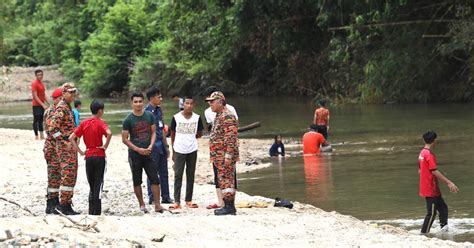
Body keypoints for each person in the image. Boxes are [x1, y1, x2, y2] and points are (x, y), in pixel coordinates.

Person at [122, 92, 166, 213]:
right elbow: (125, 139)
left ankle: (157, 205)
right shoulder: (128, 119)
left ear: (143, 102)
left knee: (155, 179)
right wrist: (137, 149)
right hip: (135, 154)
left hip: (148, 152)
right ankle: (142, 204)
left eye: (140, 101)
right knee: (137, 180)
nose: (138, 104)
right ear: (131, 103)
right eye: (135, 102)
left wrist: (151, 145)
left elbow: (153, 132)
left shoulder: (149, 116)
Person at [69, 100, 112, 215]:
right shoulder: (101, 122)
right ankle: (97, 212)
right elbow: (109, 133)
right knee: (98, 184)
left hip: (88, 155)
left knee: (91, 184)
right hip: (99, 155)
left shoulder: (84, 123)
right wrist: (105, 146)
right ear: (100, 111)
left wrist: (80, 151)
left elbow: (71, 137)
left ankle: (91, 210)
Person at [418, 131, 459, 234]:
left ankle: (444, 230)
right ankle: (424, 234)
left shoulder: (422, 153)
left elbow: (420, 169)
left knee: (443, 209)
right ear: (434, 141)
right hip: (430, 188)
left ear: (424, 140)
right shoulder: (429, 155)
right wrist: (449, 182)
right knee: (431, 213)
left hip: (431, 187)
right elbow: (434, 171)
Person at [48, 82, 79, 215]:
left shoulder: (67, 107)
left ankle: (64, 203)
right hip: (65, 149)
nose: (73, 95)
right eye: (70, 92)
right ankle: (64, 205)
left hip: (69, 147)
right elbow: (52, 128)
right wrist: (63, 140)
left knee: (69, 175)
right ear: (63, 94)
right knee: (68, 175)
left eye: (74, 92)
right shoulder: (62, 108)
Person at [206, 91, 239, 215]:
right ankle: (227, 205)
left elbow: (231, 138)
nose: (210, 104)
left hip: (224, 155)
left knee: (227, 179)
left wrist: (228, 156)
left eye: (212, 101)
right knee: (223, 179)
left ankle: (229, 207)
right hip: (218, 156)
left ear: (220, 102)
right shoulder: (219, 115)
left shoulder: (227, 116)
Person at [168, 96, 204, 210]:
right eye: (187, 103)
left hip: (192, 149)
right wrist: (173, 150)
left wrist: (190, 137)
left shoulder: (197, 118)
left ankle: (188, 200)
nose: (189, 105)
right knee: (178, 175)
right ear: (183, 105)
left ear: (194, 105)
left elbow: (200, 133)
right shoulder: (176, 118)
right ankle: (177, 201)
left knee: (190, 174)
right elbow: (172, 134)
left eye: (191, 104)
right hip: (179, 149)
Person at [144, 87, 173, 204]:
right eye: (158, 96)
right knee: (152, 172)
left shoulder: (159, 110)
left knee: (164, 172)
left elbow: (161, 129)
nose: (161, 98)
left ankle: (166, 197)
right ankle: (151, 197)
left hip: (161, 145)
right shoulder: (146, 112)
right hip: (152, 146)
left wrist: (166, 146)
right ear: (151, 98)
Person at [43, 87, 63, 214]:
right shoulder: (52, 111)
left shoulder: (54, 110)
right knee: (54, 176)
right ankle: (51, 204)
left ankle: (54, 202)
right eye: (60, 98)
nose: (62, 101)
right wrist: (64, 139)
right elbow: (52, 130)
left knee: (56, 175)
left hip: (54, 147)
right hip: (52, 147)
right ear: (55, 99)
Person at [32, 69, 50, 140]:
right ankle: (36, 135)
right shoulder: (34, 83)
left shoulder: (41, 83)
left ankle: (42, 135)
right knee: (36, 120)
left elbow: (43, 95)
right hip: (36, 105)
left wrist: (49, 103)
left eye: (41, 74)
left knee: (41, 120)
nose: (40, 76)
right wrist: (43, 104)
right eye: (38, 75)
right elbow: (35, 96)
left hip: (41, 104)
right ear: (36, 75)